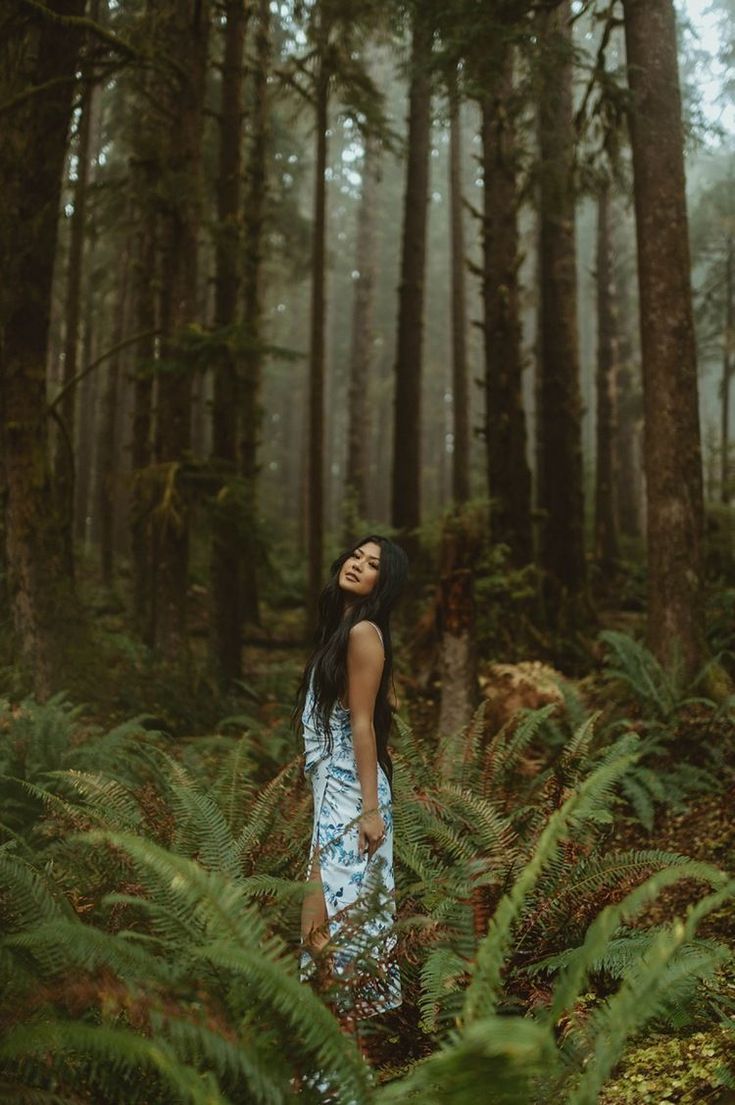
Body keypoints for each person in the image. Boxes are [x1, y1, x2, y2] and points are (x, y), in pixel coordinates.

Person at [293, 534, 408, 1024]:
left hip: (351, 796)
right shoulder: (344, 628)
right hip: (334, 795)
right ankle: (333, 1066)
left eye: (373, 564)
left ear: (386, 582)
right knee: (317, 930)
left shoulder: (363, 634)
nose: (358, 565)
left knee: (333, 934)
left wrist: (369, 809)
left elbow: (362, 722)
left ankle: (338, 1067)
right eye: (356, 556)